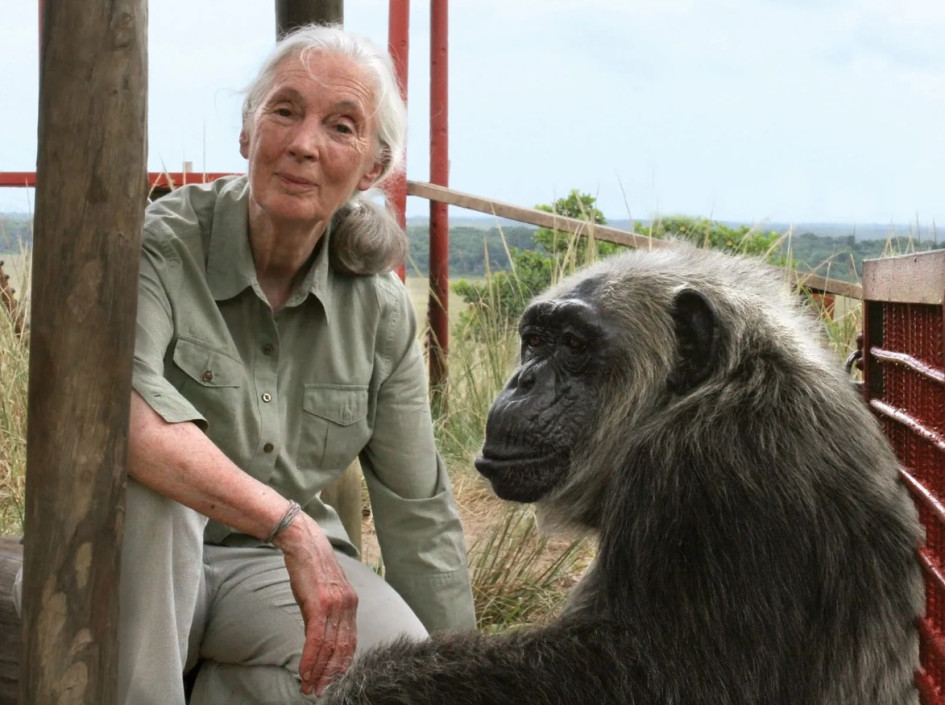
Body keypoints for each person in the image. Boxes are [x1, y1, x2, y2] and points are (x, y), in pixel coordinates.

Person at [117, 22, 475, 704]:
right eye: (284, 111)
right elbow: (127, 418)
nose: (303, 144)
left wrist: (464, 679)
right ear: (248, 133)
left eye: (341, 126)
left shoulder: (379, 307)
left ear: (372, 167)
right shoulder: (161, 247)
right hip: (144, 573)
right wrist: (291, 525)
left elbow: (417, 512)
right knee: (158, 495)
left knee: (388, 661)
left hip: (267, 580)